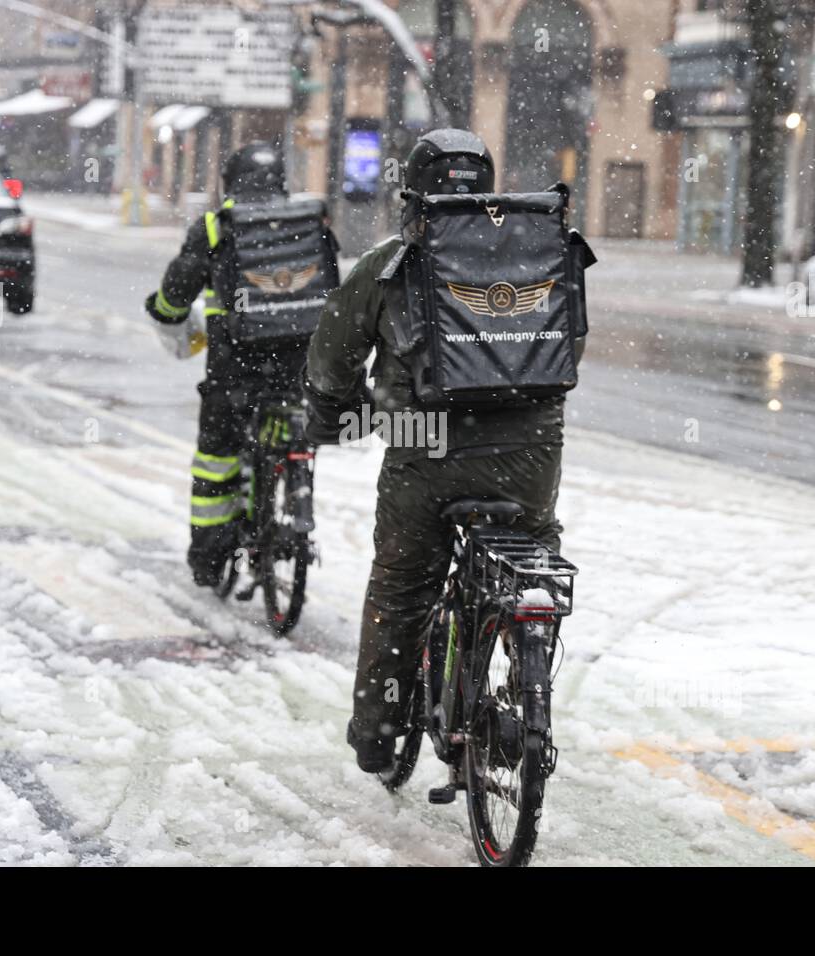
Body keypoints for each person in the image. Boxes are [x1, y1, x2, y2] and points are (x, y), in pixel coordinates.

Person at [301, 129, 575, 773]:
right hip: (529, 453)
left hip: (424, 455)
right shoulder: (543, 255)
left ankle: (379, 726)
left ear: (411, 194)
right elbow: (567, 350)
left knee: (402, 588)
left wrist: (336, 416)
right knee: (533, 565)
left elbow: (334, 357)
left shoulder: (391, 262)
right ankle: (522, 678)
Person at [145, 142, 322, 587]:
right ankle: (288, 493)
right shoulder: (303, 221)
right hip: (295, 366)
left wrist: (165, 311)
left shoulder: (216, 225)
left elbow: (179, 287)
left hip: (235, 369)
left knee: (216, 459)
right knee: (287, 431)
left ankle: (209, 558)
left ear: (230, 181)